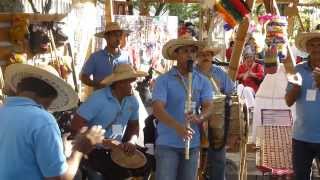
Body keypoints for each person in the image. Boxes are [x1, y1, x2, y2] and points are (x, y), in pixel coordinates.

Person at [0, 64, 105, 180]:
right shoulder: (42, 119)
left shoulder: (3, 110)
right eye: (49, 105)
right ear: (49, 97)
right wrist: (79, 150)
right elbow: (59, 178)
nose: (47, 109)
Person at [71, 64, 148, 180]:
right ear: (120, 83)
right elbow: (76, 124)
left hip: (116, 152)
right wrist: (103, 141)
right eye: (131, 81)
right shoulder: (98, 98)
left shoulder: (133, 101)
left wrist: (132, 141)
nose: (134, 84)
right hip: (92, 151)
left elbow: (134, 125)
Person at [152, 35, 213, 180]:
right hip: (168, 144)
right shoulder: (163, 80)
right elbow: (157, 109)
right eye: (185, 51)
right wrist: (177, 127)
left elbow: (209, 106)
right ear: (176, 55)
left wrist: (199, 118)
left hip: (192, 145)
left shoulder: (203, 81)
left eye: (192, 51)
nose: (190, 55)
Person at [196, 44, 235, 180]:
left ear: (212, 57)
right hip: (196, 119)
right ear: (197, 57)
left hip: (217, 120)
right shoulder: (192, 74)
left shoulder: (219, 73)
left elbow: (231, 91)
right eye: (202, 54)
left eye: (208, 54)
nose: (206, 57)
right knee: (194, 160)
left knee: (218, 158)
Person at [285, 30, 320, 180]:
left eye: (319, 45)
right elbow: (288, 101)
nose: (316, 48)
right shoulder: (297, 70)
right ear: (307, 48)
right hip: (301, 137)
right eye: (312, 45)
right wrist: (296, 87)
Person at [80, 22, 132, 90]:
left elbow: (131, 75)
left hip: (121, 99)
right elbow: (83, 77)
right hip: (102, 98)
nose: (118, 39)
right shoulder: (95, 57)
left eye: (120, 35)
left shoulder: (126, 56)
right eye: (115, 35)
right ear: (106, 37)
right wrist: (97, 85)